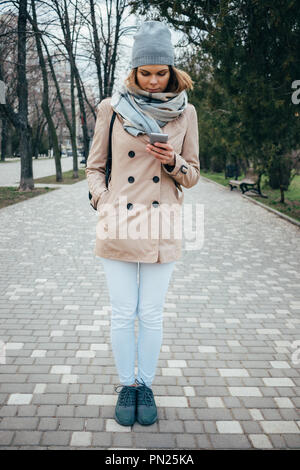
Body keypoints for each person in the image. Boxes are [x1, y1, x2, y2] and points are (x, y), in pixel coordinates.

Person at [85, 20, 200, 427]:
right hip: (118, 222)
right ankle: (126, 384)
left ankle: (145, 384)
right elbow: (95, 166)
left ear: (171, 71)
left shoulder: (185, 112)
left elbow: (194, 175)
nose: (153, 81)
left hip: (162, 224)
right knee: (122, 312)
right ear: (133, 72)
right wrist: (102, 200)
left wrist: (173, 161)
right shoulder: (111, 108)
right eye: (145, 73)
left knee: (150, 313)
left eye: (160, 72)